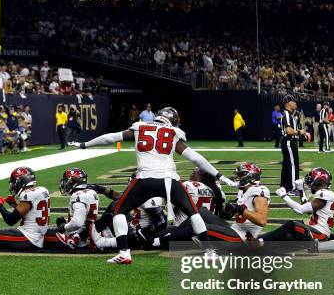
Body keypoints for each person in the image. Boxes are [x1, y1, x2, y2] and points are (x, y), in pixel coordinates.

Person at [74, 106, 237, 264]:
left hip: (145, 178)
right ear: (174, 121)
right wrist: (219, 174)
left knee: (119, 211)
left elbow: (110, 138)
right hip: (169, 179)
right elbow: (196, 158)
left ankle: (124, 253)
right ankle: (209, 252)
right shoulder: (173, 132)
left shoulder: (140, 127)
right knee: (193, 212)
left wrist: (85, 144)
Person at [0, 166, 53, 250]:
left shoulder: (28, 194)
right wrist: (14, 205)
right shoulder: (43, 190)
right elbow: (31, 214)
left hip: (27, 238)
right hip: (36, 237)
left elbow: (11, 220)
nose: (13, 185)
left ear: (20, 182)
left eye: (14, 182)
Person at [263, 167, 334, 242]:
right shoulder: (326, 193)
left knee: (291, 225)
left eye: (311, 179)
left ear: (319, 182)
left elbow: (300, 210)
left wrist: (284, 196)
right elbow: (308, 210)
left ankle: (261, 240)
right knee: (287, 234)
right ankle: (263, 240)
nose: (309, 182)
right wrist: (301, 190)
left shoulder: (324, 194)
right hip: (316, 231)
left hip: (320, 234)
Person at [224, 162, 270, 242]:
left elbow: (262, 220)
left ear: (251, 176)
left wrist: (239, 209)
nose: (237, 178)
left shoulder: (259, 190)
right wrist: (228, 210)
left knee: (204, 227)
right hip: (235, 230)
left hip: (243, 237)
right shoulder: (243, 191)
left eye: (240, 175)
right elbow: (227, 217)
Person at [55, 167, 99, 248]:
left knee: (42, 235)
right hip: (88, 234)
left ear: (73, 182)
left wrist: (64, 227)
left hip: (75, 239)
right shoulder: (92, 192)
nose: (65, 183)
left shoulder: (78, 195)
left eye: (67, 181)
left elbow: (77, 222)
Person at [280, 94, 310, 192]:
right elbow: (289, 131)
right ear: (288, 103)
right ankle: (293, 188)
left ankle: (284, 186)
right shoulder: (287, 114)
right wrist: (300, 132)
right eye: (294, 101)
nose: (295, 103)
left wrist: (303, 132)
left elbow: (292, 129)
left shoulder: (289, 114)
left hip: (289, 141)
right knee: (293, 165)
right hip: (289, 141)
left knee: (287, 164)